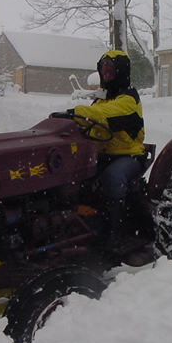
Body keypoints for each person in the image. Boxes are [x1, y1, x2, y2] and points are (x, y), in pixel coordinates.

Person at [69, 49, 146, 249]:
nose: (106, 75)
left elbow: (101, 115)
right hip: (103, 154)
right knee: (74, 175)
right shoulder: (102, 97)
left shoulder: (129, 99)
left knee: (112, 176)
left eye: (110, 70)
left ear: (121, 72)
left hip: (129, 155)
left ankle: (116, 234)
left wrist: (75, 112)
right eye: (103, 70)